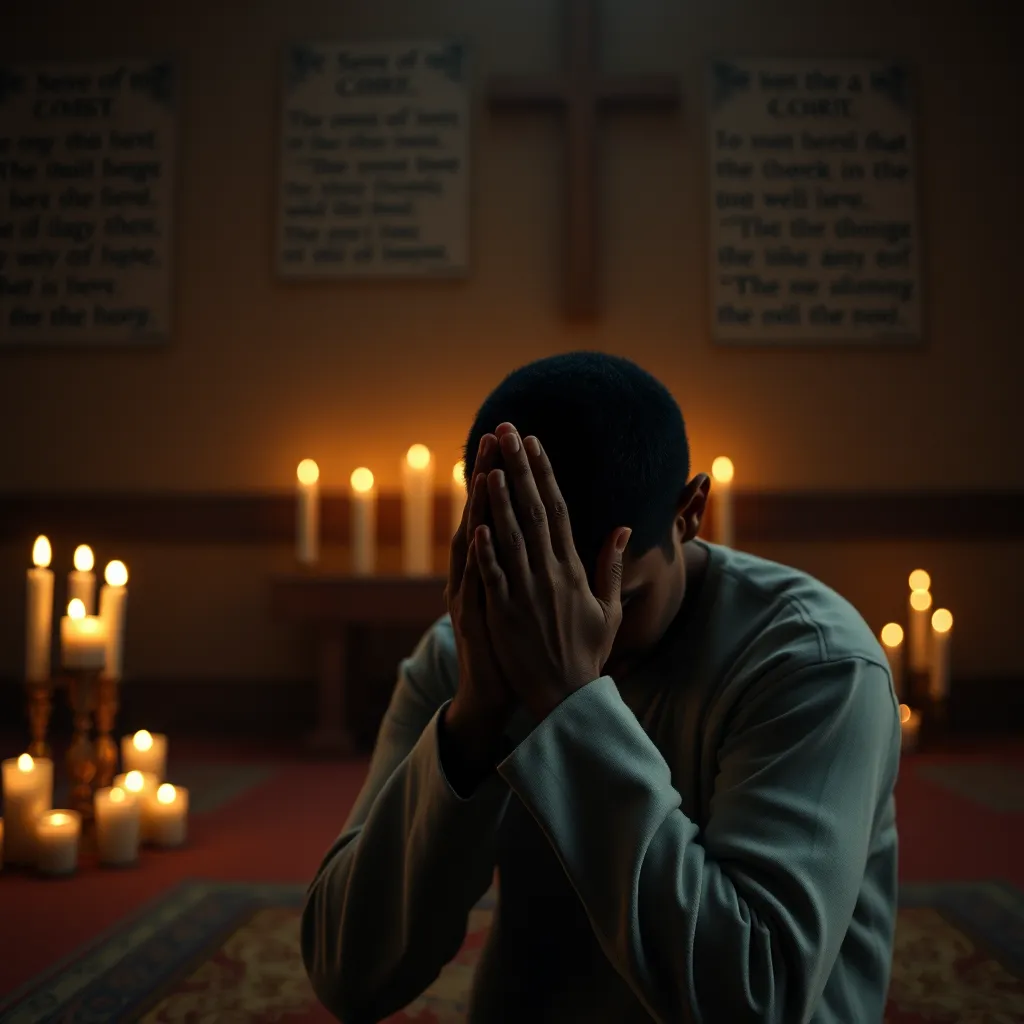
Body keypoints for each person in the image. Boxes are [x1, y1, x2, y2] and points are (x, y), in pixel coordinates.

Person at [301, 352, 901, 1024]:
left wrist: (571, 703)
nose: (575, 637)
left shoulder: (815, 667)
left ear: (690, 513)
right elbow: (346, 974)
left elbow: (754, 1001)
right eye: (539, 607)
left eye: (621, 601)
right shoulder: (467, 652)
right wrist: (471, 725)